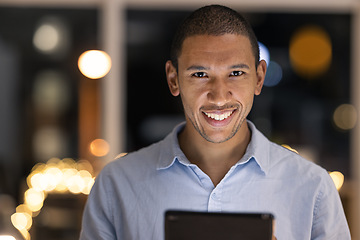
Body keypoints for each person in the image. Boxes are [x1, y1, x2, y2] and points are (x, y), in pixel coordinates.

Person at [80, 5, 351, 239]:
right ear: (173, 79)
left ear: (259, 78)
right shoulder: (116, 185)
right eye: (200, 74)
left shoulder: (314, 189)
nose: (219, 96)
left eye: (235, 73)